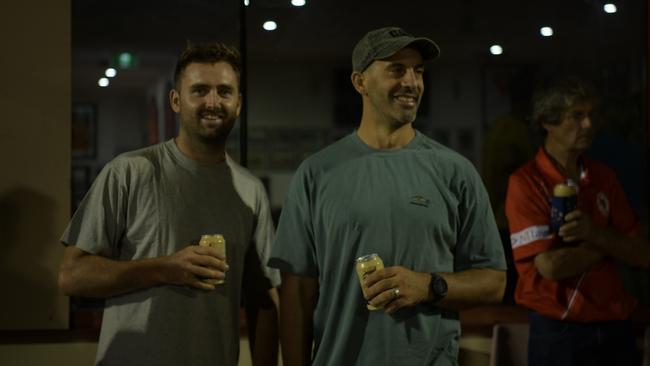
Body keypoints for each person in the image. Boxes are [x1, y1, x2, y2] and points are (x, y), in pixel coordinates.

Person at [268, 26, 507, 366]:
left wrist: (428, 286)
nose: (411, 82)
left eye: (418, 71)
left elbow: (493, 282)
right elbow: (297, 292)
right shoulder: (317, 173)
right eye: (397, 69)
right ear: (359, 82)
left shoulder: (456, 171)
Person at [58, 42, 280, 366]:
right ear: (176, 101)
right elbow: (72, 275)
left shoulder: (250, 191)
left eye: (224, 91)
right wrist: (166, 268)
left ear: (239, 104)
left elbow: (264, 302)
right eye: (200, 90)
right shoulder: (129, 172)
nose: (213, 102)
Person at [505, 76, 650, 366]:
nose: (588, 125)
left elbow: (643, 253)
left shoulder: (603, 176)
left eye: (591, 115)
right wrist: (609, 244)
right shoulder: (527, 182)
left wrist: (593, 233)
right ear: (548, 122)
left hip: (614, 323)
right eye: (577, 116)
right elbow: (550, 266)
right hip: (558, 329)